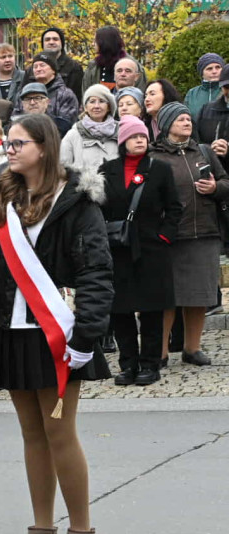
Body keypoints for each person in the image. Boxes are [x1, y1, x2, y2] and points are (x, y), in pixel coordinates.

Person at [0, 114, 113, 534]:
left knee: (60, 432)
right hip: (12, 332)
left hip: (58, 335)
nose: (9, 149)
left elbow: (96, 272)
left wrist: (86, 334)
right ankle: (40, 531)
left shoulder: (77, 203)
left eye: (18, 143)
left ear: (44, 147)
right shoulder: (3, 196)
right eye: (8, 142)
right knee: (31, 433)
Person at [99, 115, 183, 386]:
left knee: (151, 310)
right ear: (123, 141)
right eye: (134, 137)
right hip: (118, 249)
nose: (139, 141)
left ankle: (150, 364)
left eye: (143, 137)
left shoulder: (159, 169)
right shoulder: (107, 170)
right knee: (120, 310)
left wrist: (164, 237)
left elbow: (174, 208)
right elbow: (99, 208)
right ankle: (128, 365)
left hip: (151, 249)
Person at [150, 103, 229, 367]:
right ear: (166, 124)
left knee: (199, 295)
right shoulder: (153, 156)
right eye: (180, 119)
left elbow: (226, 182)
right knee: (166, 297)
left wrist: (214, 187)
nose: (187, 122)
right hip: (169, 236)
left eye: (188, 119)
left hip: (205, 233)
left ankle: (192, 348)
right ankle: (160, 352)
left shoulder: (203, 151)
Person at [60, 85, 119, 175]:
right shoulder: (73, 134)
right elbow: (62, 167)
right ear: (86, 107)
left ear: (109, 107)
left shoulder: (120, 131)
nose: (96, 106)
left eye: (101, 101)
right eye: (92, 101)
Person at [16, 53, 79, 125]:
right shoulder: (23, 94)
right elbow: (15, 119)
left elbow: (67, 123)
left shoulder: (65, 94)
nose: (38, 69)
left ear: (53, 70)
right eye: (35, 67)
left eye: (42, 65)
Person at [83, 27, 147, 93]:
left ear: (105, 42)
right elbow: (86, 94)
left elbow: (140, 93)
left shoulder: (133, 66)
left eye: (95, 41)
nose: (93, 44)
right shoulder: (93, 67)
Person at [34, 27, 84, 100]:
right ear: (43, 44)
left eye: (55, 39)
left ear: (62, 43)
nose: (51, 42)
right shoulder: (33, 68)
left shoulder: (74, 67)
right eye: (47, 40)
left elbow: (77, 97)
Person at [196, 65, 229, 174]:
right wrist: (209, 150)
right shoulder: (207, 109)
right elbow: (195, 141)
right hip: (212, 175)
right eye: (227, 87)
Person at [186, 54, 227, 121]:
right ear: (202, 73)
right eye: (209, 69)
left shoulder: (227, 90)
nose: (214, 71)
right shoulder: (192, 93)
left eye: (218, 67)